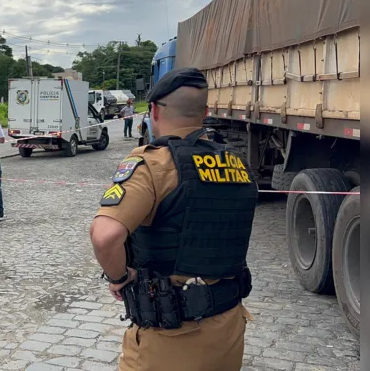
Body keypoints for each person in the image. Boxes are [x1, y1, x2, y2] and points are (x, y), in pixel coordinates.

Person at [89, 67, 258, 371]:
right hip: (228, 326)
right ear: (205, 111)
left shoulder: (153, 164)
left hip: (170, 336)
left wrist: (119, 277)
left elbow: (105, 236)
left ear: (153, 110)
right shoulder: (236, 163)